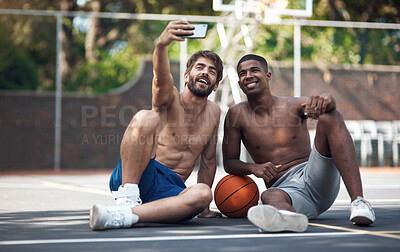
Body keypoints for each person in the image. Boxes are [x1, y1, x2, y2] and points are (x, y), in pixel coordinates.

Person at [90, 20, 224, 231]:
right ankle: (127, 198)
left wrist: (205, 209)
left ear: (216, 85)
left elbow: (208, 162)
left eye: (212, 71)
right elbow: (160, 79)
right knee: (146, 117)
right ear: (187, 76)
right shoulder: (170, 98)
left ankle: (123, 216)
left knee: (203, 193)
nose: (205, 72)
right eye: (200, 67)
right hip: (141, 174)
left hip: (170, 189)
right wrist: (161, 45)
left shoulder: (215, 113)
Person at [222, 54, 375, 233]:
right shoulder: (235, 115)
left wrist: (326, 98)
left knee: (330, 116)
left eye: (254, 70)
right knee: (268, 195)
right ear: (240, 83)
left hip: (315, 175)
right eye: (242, 73)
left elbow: (326, 102)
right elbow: (229, 163)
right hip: (285, 189)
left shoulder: (291, 105)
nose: (248, 75)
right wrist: (253, 168)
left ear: (268, 76)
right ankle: (288, 218)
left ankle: (359, 202)